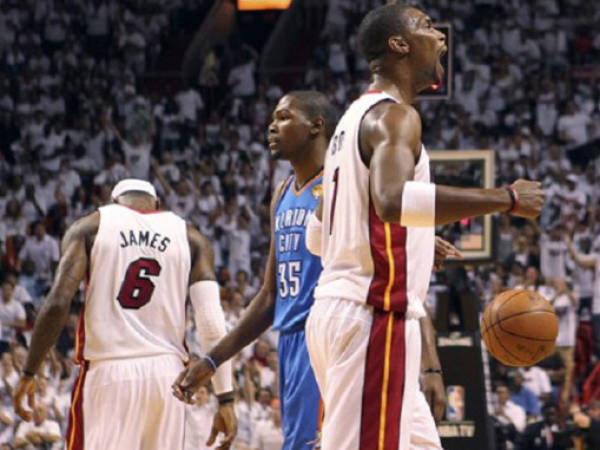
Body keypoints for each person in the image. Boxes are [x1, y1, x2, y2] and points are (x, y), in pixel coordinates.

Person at [303, 3, 544, 449]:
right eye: (428, 27)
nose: (441, 37)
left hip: (343, 313)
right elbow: (394, 202)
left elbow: (319, 236)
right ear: (399, 44)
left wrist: (413, 239)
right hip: (370, 316)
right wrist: (506, 199)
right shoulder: (395, 116)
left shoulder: (349, 124)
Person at [12, 179, 236, 450]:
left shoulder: (92, 226)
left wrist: (29, 371)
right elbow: (212, 324)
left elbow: (58, 302)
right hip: (169, 377)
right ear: (158, 205)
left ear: (113, 203)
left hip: (110, 371)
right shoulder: (191, 237)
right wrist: (225, 399)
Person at [173, 91, 336, 449]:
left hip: (326, 340)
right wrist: (213, 361)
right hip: (291, 345)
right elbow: (269, 296)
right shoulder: (282, 193)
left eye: (283, 117)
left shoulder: (341, 185)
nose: (271, 126)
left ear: (316, 126)